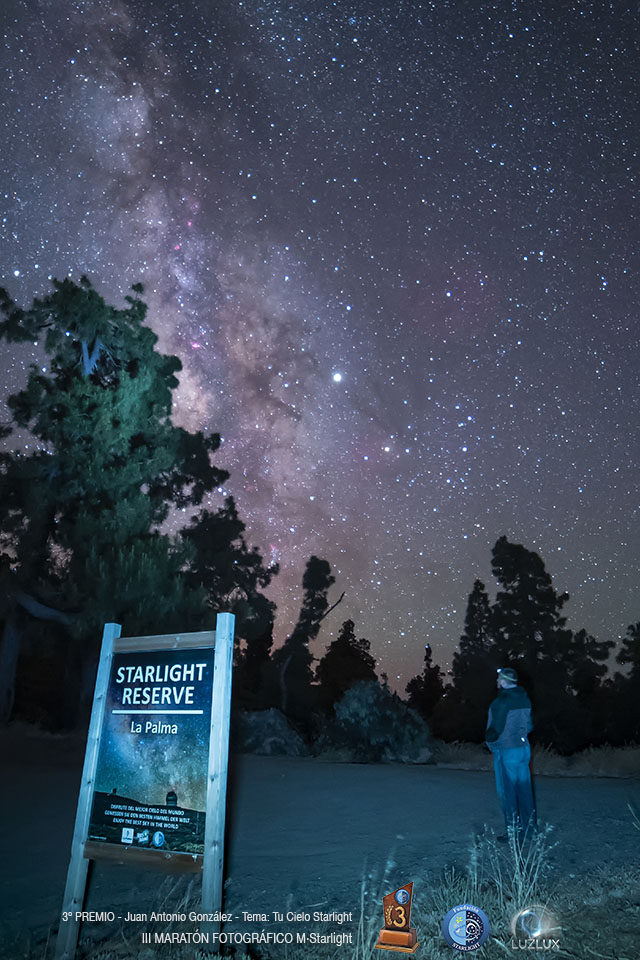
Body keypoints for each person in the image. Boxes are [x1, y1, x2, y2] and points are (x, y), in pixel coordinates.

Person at [485, 667, 536, 840]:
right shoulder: (525, 699)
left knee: (508, 793)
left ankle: (514, 833)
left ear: (504, 681)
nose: (497, 681)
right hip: (523, 749)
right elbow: (529, 726)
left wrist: (491, 743)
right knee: (524, 791)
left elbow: (495, 729)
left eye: (499, 678)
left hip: (507, 751)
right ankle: (531, 830)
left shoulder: (501, 702)